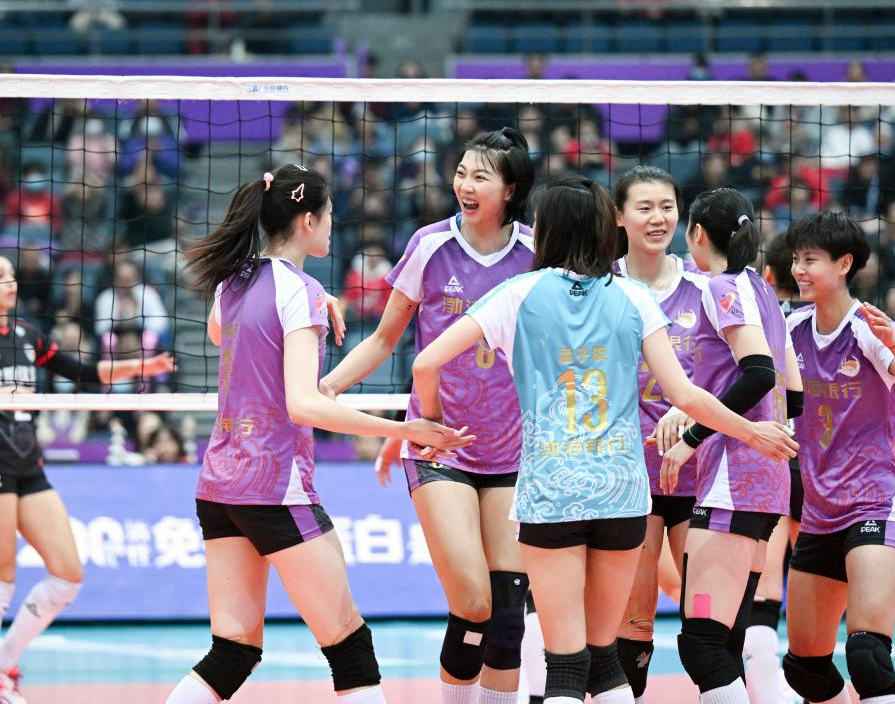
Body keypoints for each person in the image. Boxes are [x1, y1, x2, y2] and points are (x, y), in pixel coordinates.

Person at [411, 174, 798, 704]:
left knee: (566, 666)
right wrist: (750, 429)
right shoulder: (634, 297)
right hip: (623, 493)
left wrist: (431, 424)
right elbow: (687, 395)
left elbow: (425, 362)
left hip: (551, 490)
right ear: (604, 226)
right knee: (607, 658)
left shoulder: (517, 293)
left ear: (546, 230)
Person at [166, 164, 472, 704]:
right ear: (308, 221)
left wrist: (311, 303)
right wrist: (404, 427)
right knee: (350, 648)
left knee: (233, 651)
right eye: (329, 214)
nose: (333, 224)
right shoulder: (299, 291)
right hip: (274, 488)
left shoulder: (233, 282)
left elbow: (221, 332)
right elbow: (304, 405)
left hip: (219, 486)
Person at [319, 129, 536, 704]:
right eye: (461, 172)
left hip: (515, 451)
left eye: (480, 176)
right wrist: (328, 386)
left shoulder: (538, 251)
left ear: (511, 190)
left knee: (508, 617)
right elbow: (383, 339)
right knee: (473, 602)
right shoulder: (431, 245)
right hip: (440, 448)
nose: (465, 184)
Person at [0, 255, 175, 704]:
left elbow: (82, 372)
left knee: (68, 575)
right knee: (3, 574)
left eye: (11, 276)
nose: (10, 283)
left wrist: (141, 368)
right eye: (1, 278)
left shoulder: (25, 335)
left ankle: (5, 662)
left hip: (27, 465)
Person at [783, 212, 895, 704]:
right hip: (819, 509)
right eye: (795, 259)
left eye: (810, 259)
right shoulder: (792, 329)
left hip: (875, 499)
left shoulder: (868, 329)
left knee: (867, 653)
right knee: (805, 669)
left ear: (844, 263)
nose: (799, 269)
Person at [658, 187, 802, 704]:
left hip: (734, 480)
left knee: (702, 644)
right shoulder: (760, 289)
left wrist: (693, 437)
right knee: (724, 638)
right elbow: (793, 391)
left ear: (696, 233)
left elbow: (759, 374)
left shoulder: (720, 287)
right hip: (764, 482)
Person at [611, 165, 707, 704]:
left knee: (708, 628)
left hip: (700, 474)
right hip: (628, 479)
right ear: (619, 217)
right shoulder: (600, 287)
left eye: (667, 207)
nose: (657, 218)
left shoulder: (705, 288)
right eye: (644, 207)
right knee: (634, 626)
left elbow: (738, 375)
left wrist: (691, 414)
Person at [742, 233, 808, 704]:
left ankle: (767, 684)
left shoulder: (756, 317)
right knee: (815, 576)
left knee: (763, 582)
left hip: (770, 450)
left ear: (767, 276)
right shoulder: (821, 322)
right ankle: (803, 674)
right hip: (816, 459)